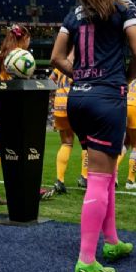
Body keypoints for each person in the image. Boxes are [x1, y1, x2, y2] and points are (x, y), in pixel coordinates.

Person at [50, 0, 136, 272]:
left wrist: (82, 75)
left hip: (78, 99)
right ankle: (87, 258)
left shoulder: (74, 13)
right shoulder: (124, 7)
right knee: (101, 179)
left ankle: (113, 241)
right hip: (108, 97)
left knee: (105, 172)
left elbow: (56, 57)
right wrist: (123, 77)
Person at [0, 24, 32, 206]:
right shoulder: (21, 56)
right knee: (23, 150)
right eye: (28, 39)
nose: (29, 43)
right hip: (15, 108)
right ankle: (26, 187)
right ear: (23, 38)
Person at [50, 55, 79, 193]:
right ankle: (85, 177)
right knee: (89, 143)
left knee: (66, 143)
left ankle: (60, 180)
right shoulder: (83, 59)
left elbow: (51, 80)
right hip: (76, 101)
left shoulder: (61, 61)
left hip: (59, 102)